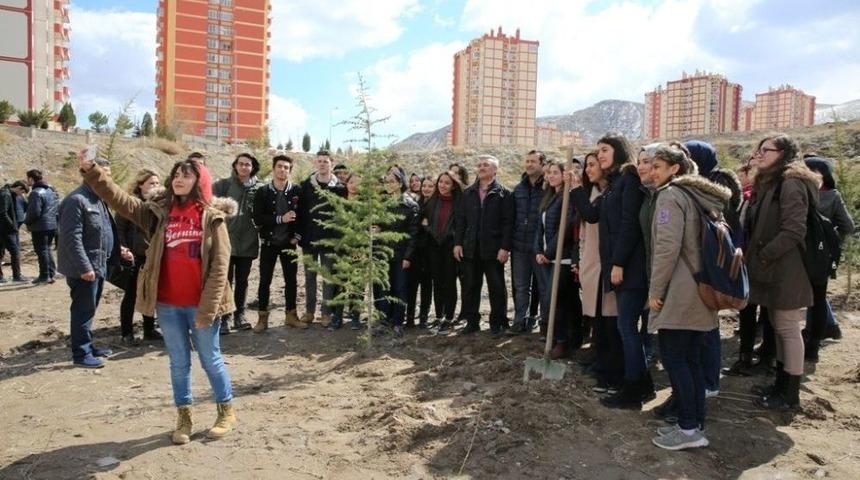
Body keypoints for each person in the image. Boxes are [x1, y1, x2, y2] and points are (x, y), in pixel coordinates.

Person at [79, 153, 238, 444]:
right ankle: (184, 416)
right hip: (167, 304)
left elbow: (219, 269)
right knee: (178, 362)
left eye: (186, 175)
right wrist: (94, 172)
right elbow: (121, 200)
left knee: (210, 359)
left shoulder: (212, 218)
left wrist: (208, 309)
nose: (179, 179)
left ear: (199, 182)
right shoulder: (157, 213)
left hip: (202, 305)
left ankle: (226, 410)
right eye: (176, 174)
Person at [647, 144, 727, 451]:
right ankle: (694, 424)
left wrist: (656, 291)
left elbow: (667, 248)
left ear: (675, 168)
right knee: (691, 360)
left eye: (658, 166)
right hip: (701, 289)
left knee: (676, 359)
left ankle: (689, 428)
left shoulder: (671, 196)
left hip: (680, 291)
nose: (652, 172)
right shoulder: (698, 196)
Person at [570, 133, 654, 409]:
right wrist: (575, 190)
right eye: (598, 150)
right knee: (624, 327)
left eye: (604, 150)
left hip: (629, 267)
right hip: (617, 265)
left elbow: (629, 225)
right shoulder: (613, 185)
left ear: (618, 151)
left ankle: (633, 388)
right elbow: (594, 217)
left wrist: (617, 263)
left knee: (626, 328)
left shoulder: (628, 179)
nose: (600, 155)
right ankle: (640, 385)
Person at [746, 134, 820, 410]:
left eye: (767, 150)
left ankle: (790, 394)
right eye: (759, 149)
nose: (760, 154)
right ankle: (780, 384)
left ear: (784, 153)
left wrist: (765, 254)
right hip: (775, 268)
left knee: (788, 328)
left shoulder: (791, 183)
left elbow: (794, 230)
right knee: (778, 327)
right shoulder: (774, 182)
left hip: (788, 269)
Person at [56, 156, 122, 368]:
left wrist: (120, 250)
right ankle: (81, 354)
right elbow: (70, 238)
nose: (107, 179)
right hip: (85, 269)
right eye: (104, 174)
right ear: (89, 174)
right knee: (82, 311)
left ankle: (88, 345)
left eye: (109, 175)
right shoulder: (77, 200)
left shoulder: (98, 199)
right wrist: (84, 267)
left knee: (90, 309)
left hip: (99, 265)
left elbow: (103, 232)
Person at [575, 151, 622, 393]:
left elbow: (592, 218)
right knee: (597, 317)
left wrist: (574, 189)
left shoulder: (611, 194)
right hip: (591, 263)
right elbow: (583, 233)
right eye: (587, 166)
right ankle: (600, 362)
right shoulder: (592, 193)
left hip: (608, 265)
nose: (588, 169)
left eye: (593, 165)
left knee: (610, 320)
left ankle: (611, 369)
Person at [454, 155, 514, 335]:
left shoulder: (504, 194)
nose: (481, 167)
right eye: (479, 165)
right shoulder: (468, 193)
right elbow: (461, 220)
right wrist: (458, 243)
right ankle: (472, 322)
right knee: (471, 286)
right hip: (471, 248)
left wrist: (505, 247)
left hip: (494, 249)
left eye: (485, 165)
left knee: (496, 286)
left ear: (495, 170)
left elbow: (508, 223)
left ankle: (498, 322)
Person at [252, 155, 305, 332]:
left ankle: (291, 315)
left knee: (291, 281)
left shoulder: (297, 190)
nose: (283, 170)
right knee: (264, 281)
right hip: (269, 243)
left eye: (286, 167)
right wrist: (280, 219)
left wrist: (298, 235)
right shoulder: (263, 191)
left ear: (290, 171)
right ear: (274, 169)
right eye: (280, 166)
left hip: (289, 243)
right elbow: (258, 217)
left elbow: (304, 216)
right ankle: (262, 318)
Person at [534, 158, 580, 358]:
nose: (550, 176)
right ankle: (572, 338)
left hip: (564, 257)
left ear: (564, 174)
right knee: (566, 300)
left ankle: (562, 341)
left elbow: (567, 228)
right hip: (549, 258)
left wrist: (548, 252)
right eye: (548, 173)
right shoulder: (549, 197)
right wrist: (538, 250)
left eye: (555, 172)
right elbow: (541, 228)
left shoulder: (568, 197)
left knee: (558, 300)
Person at [212, 153, 262, 334]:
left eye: (247, 164)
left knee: (243, 281)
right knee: (225, 281)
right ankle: (224, 318)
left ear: (253, 167)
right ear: (235, 166)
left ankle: (239, 316)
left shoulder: (259, 188)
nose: (244, 167)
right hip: (226, 241)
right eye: (240, 164)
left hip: (248, 241)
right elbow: (210, 208)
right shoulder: (222, 185)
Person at [299, 150, 348, 328]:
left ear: (332, 164)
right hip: (309, 239)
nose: (322, 164)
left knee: (328, 277)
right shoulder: (306, 185)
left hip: (330, 240)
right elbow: (301, 213)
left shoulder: (340, 188)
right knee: (309, 277)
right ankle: (309, 312)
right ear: (315, 163)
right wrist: (299, 235)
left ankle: (326, 313)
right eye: (319, 161)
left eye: (325, 161)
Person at [117, 170, 162, 345]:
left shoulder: (158, 205)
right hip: (134, 257)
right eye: (151, 183)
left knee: (149, 294)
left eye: (157, 183)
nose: (155, 186)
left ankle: (149, 329)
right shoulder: (131, 204)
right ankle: (126, 332)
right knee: (131, 295)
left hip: (152, 257)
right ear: (140, 184)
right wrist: (124, 250)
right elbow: (119, 230)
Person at [374, 169, 419, 337]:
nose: (389, 184)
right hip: (383, 254)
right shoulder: (382, 204)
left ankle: (398, 322)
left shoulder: (410, 205)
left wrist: (408, 256)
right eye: (387, 181)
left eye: (392, 181)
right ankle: (384, 321)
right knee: (384, 288)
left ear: (400, 183)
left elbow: (413, 235)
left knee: (400, 288)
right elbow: (377, 227)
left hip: (401, 255)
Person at [509, 150, 546, 335]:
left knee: (543, 286)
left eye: (533, 161)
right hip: (519, 246)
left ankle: (544, 323)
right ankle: (519, 321)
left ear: (542, 164)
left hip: (540, 247)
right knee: (521, 286)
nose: (529, 164)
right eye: (527, 161)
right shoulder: (519, 189)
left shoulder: (548, 188)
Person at [422, 171, 463, 331]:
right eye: (440, 182)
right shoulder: (432, 201)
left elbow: (459, 225)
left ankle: (449, 317)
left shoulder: (458, 202)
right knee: (437, 282)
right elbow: (425, 221)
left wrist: (453, 239)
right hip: (434, 246)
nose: (442, 185)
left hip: (451, 247)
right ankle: (439, 315)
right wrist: (428, 228)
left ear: (453, 186)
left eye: (447, 183)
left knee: (449, 282)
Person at [406, 176, 434, 329]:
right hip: (416, 252)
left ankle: (424, 318)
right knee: (412, 286)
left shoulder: (437, 204)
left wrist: (427, 226)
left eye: (430, 186)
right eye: (425, 186)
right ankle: (409, 317)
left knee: (426, 287)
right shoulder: (416, 204)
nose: (426, 189)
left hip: (431, 253)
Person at [24, 169, 59, 284]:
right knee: (47, 249)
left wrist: (27, 221)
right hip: (52, 225)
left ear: (31, 179)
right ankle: (51, 273)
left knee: (41, 251)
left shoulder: (35, 193)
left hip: (40, 226)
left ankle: (44, 276)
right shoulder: (50, 191)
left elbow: (35, 212)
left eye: (27, 178)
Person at [0, 182, 25, 283]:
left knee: (1, 253)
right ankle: (16, 276)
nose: (21, 194)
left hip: (4, 228)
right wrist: (13, 226)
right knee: (15, 252)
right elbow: (3, 213)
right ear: (18, 187)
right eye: (21, 191)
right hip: (6, 229)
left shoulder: (6, 193)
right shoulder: (5, 194)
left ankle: (1, 277)